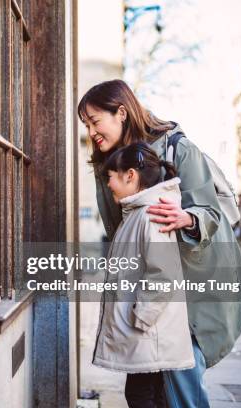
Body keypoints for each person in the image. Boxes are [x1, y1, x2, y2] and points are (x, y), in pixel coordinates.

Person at [78, 79, 241, 408]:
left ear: (121, 112)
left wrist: (188, 218)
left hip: (187, 293)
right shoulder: (112, 163)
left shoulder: (178, 149)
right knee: (142, 393)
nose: (91, 131)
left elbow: (211, 211)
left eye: (94, 121)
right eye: (86, 124)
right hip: (146, 295)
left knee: (179, 391)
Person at [93, 142, 195, 408]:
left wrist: (141, 317)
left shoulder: (149, 215)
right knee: (152, 397)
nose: (109, 184)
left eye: (111, 177)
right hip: (149, 334)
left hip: (149, 333)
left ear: (130, 175)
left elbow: (163, 275)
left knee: (141, 397)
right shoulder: (139, 213)